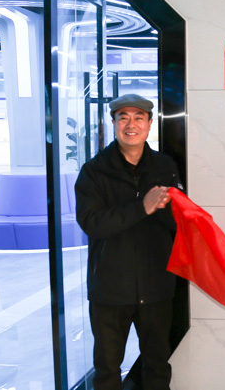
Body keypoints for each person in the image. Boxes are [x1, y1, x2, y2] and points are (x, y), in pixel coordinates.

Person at [75, 93, 182, 390]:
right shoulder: (94, 171)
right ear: (113, 123)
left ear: (149, 124)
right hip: (110, 290)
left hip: (156, 286)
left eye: (138, 118)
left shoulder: (165, 166)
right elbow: (92, 223)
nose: (131, 124)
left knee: (158, 367)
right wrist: (142, 207)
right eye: (123, 118)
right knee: (107, 370)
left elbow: (176, 223)